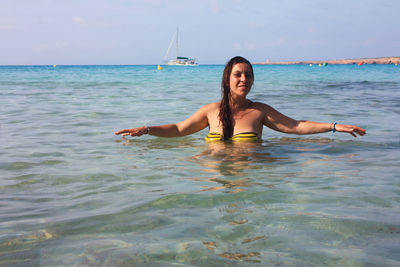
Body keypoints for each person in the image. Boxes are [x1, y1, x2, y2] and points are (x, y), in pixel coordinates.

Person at [115, 56, 366, 140]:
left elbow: (297, 126)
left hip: (250, 181)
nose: (243, 79)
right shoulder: (211, 111)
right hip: (213, 183)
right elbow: (179, 129)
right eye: (238, 75)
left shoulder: (260, 112)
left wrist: (333, 126)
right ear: (227, 80)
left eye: (248, 75)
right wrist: (146, 129)